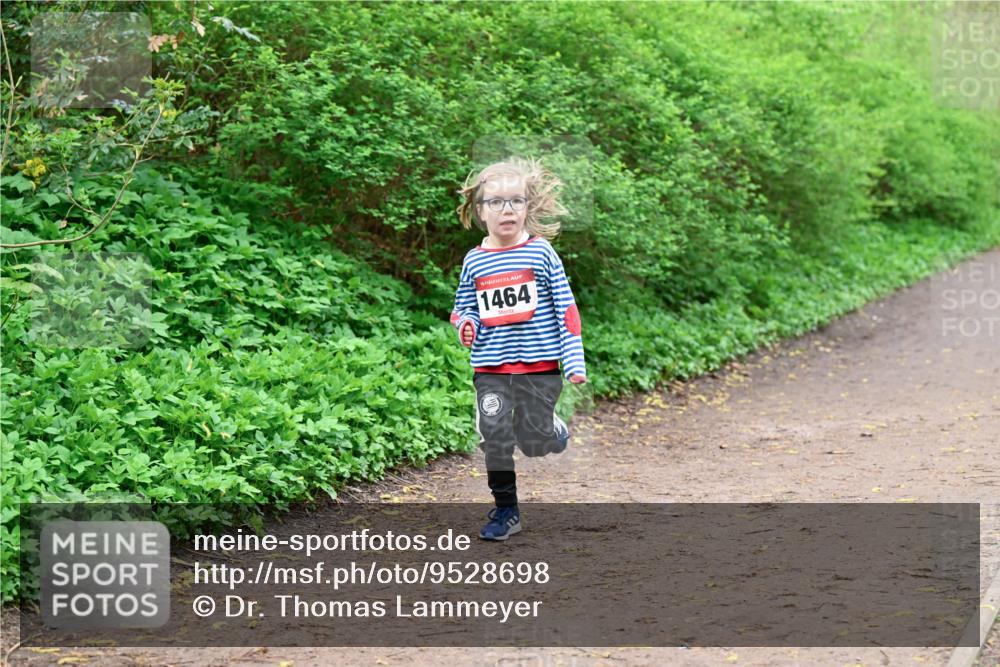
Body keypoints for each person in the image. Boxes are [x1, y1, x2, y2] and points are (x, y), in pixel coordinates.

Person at [450, 157, 587, 541]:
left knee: (534, 441)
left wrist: (574, 360)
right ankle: (506, 511)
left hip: (538, 367)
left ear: (528, 207)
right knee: (494, 436)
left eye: (516, 201)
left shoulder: (541, 253)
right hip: (490, 368)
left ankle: (550, 429)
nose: (506, 209)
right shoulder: (475, 260)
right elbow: (464, 307)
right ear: (480, 210)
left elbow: (567, 309)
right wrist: (466, 325)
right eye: (495, 202)